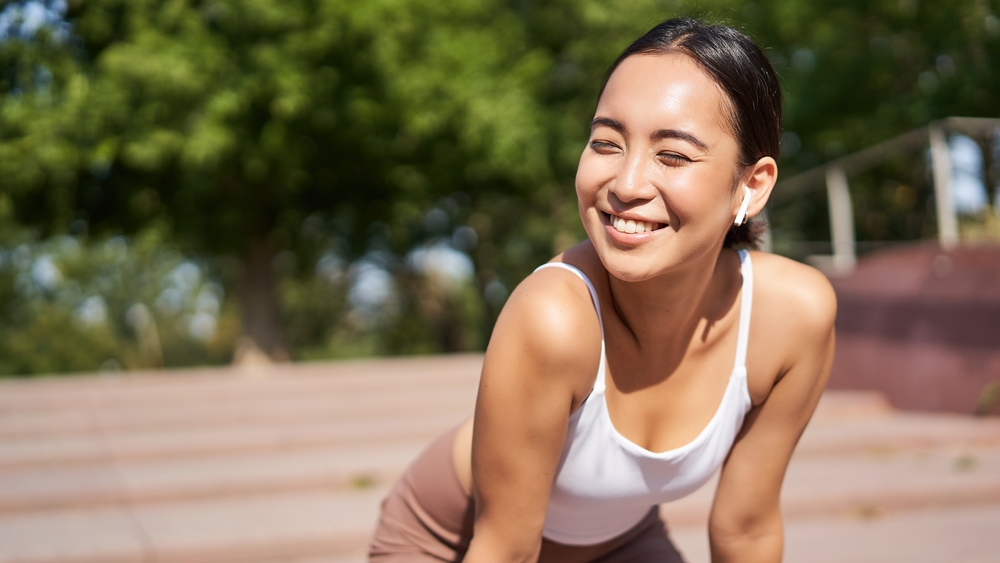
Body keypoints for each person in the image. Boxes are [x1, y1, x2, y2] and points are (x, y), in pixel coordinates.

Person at [369, 17, 836, 563]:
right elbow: (505, 549)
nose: (627, 184)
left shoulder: (792, 319)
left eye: (673, 155)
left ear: (751, 185)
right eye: (606, 143)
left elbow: (747, 530)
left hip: (622, 545)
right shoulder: (553, 318)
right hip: (453, 544)